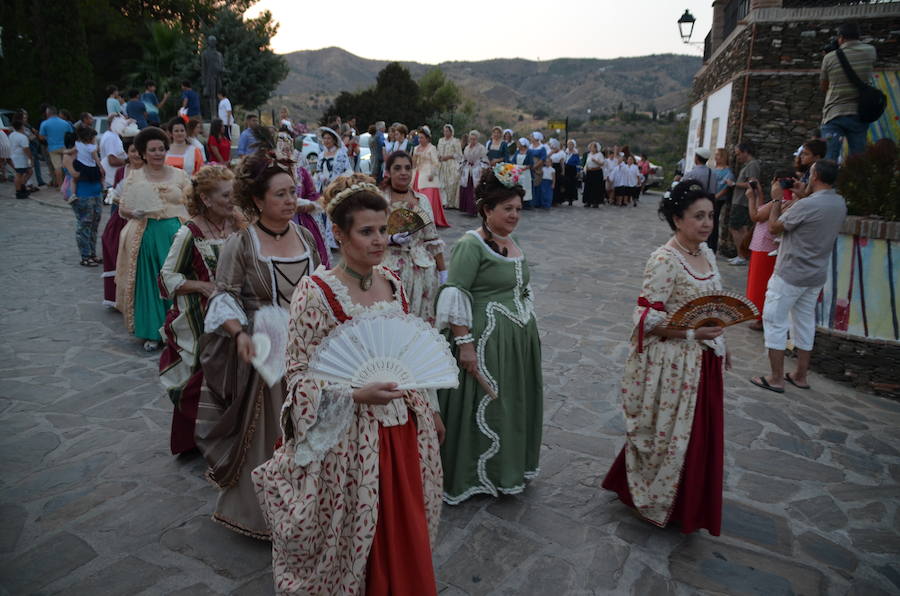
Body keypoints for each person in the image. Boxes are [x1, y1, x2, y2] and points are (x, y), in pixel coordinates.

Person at [253, 174, 443, 593]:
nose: (379, 240)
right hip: (350, 437)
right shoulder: (316, 292)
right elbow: (298, 375)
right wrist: (355, 394)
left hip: (403, 428)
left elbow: (409, 353)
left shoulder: (393, 283)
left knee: (402, 519)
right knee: (362, 521)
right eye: (367, 231)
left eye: (383, 230)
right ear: (338, 234)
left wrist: (428, 406)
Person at [195, 148, 321, 539]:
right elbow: (223, 295)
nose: (290, 201)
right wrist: (240, 334)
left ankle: (310, 507)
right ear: (257, 200)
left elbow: (319, 287)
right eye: (280, 194)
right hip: (268, 355)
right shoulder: (243, 243)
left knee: (312, 431)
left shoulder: (304, 235)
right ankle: (262, 514)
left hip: (310, 351)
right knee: (271, 437)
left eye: (292, 192)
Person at [602, 180, 729, 536]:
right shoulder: (664, 260)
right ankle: (660, 497)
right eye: (698, 216)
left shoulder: (708, 254)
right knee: (669, 436)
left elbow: (714, 304)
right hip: (674, 364)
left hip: (704, 362)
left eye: (711, 216)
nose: (707, 223)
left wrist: (720, 342)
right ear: (677, 219)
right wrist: (692, 333)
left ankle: (686, 500)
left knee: (697, 436)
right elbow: (647, 320)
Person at [436, 164, 542, 504]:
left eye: (518, 210)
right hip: (481, 344)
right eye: (507, 209)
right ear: (486, 210)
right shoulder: (471, 245)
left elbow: (521, 287)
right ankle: (470, 475)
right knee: (480, 408)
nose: (514, 216)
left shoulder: (511, 242)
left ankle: (503, 470)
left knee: (508, 407)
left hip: (513, 346)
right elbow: (455, 294)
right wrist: (465, 346)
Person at [159, 165, 243, 455]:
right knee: (202, 377)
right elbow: (167, 276)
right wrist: (202, 286)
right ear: (206, 199)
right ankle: (196, 438)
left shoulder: (238, 223)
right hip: (201, 319)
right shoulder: (189, 232)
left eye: (235, 194)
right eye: (226, 195)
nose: (233, 200)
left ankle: (232, 434)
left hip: (237, 314)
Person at [751, 160, 847, 393]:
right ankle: (800, 374)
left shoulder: (807, 205)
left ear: (815, 177)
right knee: (804, 323)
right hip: (815, 274)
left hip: (790, 272)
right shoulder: (839, 202)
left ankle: (775, 378)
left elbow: (774, 227)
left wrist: (776, 199)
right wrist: (802, 197)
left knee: (774, 321)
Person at [115, 127, 191, 351]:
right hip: (146, 235)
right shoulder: (135, 176)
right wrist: (133, 212)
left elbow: (192, 201)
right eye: (152, 150)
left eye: (161, 149)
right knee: (151, 283)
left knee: (178, 282)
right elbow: (123, 208)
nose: (158, 153)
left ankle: (180, 330)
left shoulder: (179, 175)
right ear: (143, 153)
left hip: (176, 235)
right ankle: (153, 332)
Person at [382, 151, 447, 324]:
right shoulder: (379, 201)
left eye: (407, 168)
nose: (403, 172)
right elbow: (367, 235)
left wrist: (443, 272)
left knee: (420, 324)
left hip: (422, 270)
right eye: (397, 168)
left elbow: (432, 239)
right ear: (388, 172)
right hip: (389, 270)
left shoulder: (422, 200)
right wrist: (389, 239)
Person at [820, 23, 877, 161]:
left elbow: (824, 87)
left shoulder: (830, 57)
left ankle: (827, 182)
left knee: (830, 159)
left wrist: (830, 54)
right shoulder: (870, 51)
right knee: (857, 159)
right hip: (859, 113)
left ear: (841, 38)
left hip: (834, 113)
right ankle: (856, 182)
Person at [745, 170, 793, 332]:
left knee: (759, 284)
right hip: (769, 246)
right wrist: (759, 195)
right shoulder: (789, 199)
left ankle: (760, 318)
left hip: (764, 246)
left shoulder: (777, 201)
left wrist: (751, 198)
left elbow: (756, 216)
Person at [101, 138, 142, 307]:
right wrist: (119, 202)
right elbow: (113, 196)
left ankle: (138, 296)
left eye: (139, 150)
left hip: (141, 218)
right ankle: (119, 297)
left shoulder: (149, 171)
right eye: (132, 151)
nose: (136, 154)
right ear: (127, 153)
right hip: (122, 218)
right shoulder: (121, 171)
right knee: (115, 249)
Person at [69, 126, 105, 266]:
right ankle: (85, 256)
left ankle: (92, 253)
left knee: (94, 225)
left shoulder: (92, 156)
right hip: (84, 195)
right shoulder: (77, 153)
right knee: (85, 225)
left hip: (96, 193)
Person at [725, 142, 760, 265]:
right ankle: (743, 255)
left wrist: (734, 184)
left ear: (746, 152)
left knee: (735, 227)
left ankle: (742, 255)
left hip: (742, 201)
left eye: (739, 154)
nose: (737, 157)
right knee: (742, 228)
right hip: (741, 200)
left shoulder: (752, 165)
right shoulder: (749, 165)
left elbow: (753, 183)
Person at [412, 126, 450, 228]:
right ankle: (420, 219)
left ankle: (429, 219)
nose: (420, 140)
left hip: (429, 176)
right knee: (418, 198)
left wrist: (432, 174)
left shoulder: (432, 148)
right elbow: (414, 163)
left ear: (427, 138)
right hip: (419, 175)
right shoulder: (416, 148)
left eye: (422, 138)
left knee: (428, 199)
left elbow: (436, 163)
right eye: (419, 138)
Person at [38, 106, 74, 187]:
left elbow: (41, 137)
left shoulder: (44, 123)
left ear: (48, 113)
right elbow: (71, 134)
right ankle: (68, 184)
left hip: (52, 148)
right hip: (64, 147)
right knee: (66, 166)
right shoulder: (65, 123)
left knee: (57, 167)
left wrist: (48, 138)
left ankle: (60, 185)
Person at [709, 147, 735, 253]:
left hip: (717, 199)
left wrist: (716, 197)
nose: (716, 157)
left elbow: (726, 188)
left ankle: (712, 246)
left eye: (718, 155)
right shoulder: (714, 169)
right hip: (711, 197)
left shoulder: (727, 172)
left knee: (714, 222)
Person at [459, 131, 488, 217]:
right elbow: (464, 158)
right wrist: (462, 166)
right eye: (471, 139)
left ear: (477, 139)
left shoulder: (481, 148)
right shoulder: (467, 147)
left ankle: (474, 209)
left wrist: (482, 168)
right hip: (468, 170)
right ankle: (467, 208)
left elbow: (484, 159)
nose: (472, 140)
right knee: (467, 188)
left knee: (474, 190)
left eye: (474, 139)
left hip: (476, 169)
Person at [99, 114, 127, 190]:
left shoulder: (112, 135)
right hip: (111, 180)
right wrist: (129, 161)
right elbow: (112, 161)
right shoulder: (111, 138)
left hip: (112, 179)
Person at [437, 124, 462, 209]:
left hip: (451, 164)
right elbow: (438, 151)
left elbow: (459, 155)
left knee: (451, 183)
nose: (445, 132)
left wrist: (448, 157)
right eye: (444, 131)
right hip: (442, 164)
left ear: (451, 132)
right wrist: (439, 157)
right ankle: (443, 201)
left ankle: (450, 202)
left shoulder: (455, 141)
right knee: (441, 183)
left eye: (447, 131)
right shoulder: (440, 140)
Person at [9, 117, 33, 200]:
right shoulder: (22, 137)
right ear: (21, 127)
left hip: (14, 156)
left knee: (28, 172)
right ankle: (19, 191)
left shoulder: (12, 135)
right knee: (19, 174)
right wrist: (30, 158)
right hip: (20, 158)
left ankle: (22, 187)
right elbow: (26, 149)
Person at [511, 138, 534, 208]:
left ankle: (527, 204)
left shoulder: (529, 152)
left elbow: (531, 163)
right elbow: (513, 161)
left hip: (525, 172)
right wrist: (516, 168)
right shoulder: (517, 152)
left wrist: (524, 168)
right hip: (518, 171)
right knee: (518, 186)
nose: (518, 145)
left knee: (526, 187)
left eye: (519, 143)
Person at [583, 142, 605, 208]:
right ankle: (588, 201)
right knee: (588, 187)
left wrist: (595, 161)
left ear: (596, 148)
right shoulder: (589, 154)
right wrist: (585, 169)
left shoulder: (599, 154)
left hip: (596, 172)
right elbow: (587, 163)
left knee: (596, 188)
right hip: (589, 172)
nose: (590, 148)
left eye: (592, 147)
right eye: (590, 147)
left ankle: (596, 202)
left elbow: (602, 164)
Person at [548, 139, 566, 205]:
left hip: (557, 168)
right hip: (550, 167)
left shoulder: (561, 153)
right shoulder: (549, 151)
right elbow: (547, 158)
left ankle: (556, 200)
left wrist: (563, 171)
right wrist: (551, 152)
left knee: (557, 185)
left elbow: (562, 163)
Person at [563, 140, 580, 206]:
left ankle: (571, 199)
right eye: (568, 144)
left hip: (572, 170)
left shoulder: (576, 154)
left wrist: (578, 171)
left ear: (574, 145)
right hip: (566, 169)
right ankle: (566, 198)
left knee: (572, 184)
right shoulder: (565, 152)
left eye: (571, 144)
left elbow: (578, 163)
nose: (569, 146)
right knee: (566, 184)